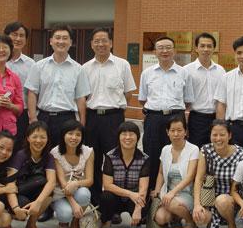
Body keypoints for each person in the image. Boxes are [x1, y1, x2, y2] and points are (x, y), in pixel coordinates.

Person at [81, 28, 136, 206]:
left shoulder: (122, 65)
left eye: (104, 40)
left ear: (111, 43)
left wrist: (116, 111)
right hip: (92, 118)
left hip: (114, 118)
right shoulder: (85, 68)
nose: (101, 44)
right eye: (96, 41)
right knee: (93, 159)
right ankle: (95, 202)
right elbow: (82, 96)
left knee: (115, 160)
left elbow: (128, 93)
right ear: (91, 44)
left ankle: (114, 204)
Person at [139, 36, 194, 190]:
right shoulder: (147, 73)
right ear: (155, 52)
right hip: (153, 118)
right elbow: (143, 99)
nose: (165, 51)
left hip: (176, 117)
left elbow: (188, 100)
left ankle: (175, 192)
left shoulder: (184, 73)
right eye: (161, 48)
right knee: (151, 155)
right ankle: (151, 194)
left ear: (174, 51)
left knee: (177, 155)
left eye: (168, 47)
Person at [25, 24, 90, 146]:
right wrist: (33, 119)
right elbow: (32, 93)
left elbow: (81, 98)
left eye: (65, 38)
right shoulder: (38, 66)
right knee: (42, 151)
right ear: (51, 41)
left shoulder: (78, 69)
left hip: (67, 118)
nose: (61, 41)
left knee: (65, 152)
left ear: (71, 42)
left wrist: (81, 123)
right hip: (43, 117)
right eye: (57, 37)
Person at [192, 119, 243, 228]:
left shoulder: (242, 154)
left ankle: (232, 226)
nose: (218, 138)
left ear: (229, 135)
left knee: (222, 200)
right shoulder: (205, 150)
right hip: (210, 199)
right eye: (215, 135)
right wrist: (197, 205)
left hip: (233, 199)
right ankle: (213, 219)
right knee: (200, 217)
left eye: (222, 134)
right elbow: (199, 179)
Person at [98, 121, 150, 228]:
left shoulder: (144, 158)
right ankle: (107, 222)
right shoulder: (110, 156)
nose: (127, 137)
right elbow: (107, 185)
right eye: (124, 134)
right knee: (106, 197)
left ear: (137, 137)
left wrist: (138, 209)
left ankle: (136, 221)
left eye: (131, 134)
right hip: (116, 197)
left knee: (145, 201)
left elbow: (143, 188)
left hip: (135, 199)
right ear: (118, 137)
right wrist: (130, 194)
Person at [151, 116, 200, 228]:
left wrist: (172, 193)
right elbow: (161, 173)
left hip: (186, 193)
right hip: (168, 193)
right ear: (167, 132)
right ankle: (176, 218)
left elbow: (190, 177)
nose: (176, 134)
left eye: (179, 130)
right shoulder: (165, 150)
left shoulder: (193, 149)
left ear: (185, 132)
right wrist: (157, 191)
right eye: (172, 130)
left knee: (171, 203)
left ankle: (191, 223)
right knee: (161, 218)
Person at [7, 121, 56, 228]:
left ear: (47, 139)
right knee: (23, 204)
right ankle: (5, 225)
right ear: (28, 138)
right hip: (16, 193)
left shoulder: (48, 157)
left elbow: (52, 182)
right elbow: (9, 183)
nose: (38, 141)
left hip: (32, 191)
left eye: (42, 137)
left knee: (48, 193)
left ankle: (31, 225)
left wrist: (38, 202)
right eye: (35, 136)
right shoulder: (20, 155)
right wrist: (15, 207)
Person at [50, 119, 94, 228]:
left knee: (84, 194)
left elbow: (90, 180)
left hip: (78, 189)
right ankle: (64, 219)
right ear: (63, 135)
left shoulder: (88, 151)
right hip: (60, 192)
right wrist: (73, 204)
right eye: (70, 133)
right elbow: (62, 183)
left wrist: (76, 183)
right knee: (65, 215)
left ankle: (76, 220)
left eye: (78, 135)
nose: (74, 137)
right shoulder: (55, 153)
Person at [184, 32, 226, 148]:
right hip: (197, 118)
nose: (206, 49)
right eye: (202, 46)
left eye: (209, 46)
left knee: (216, 149)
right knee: (196, 150)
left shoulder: (221, 70)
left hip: (217, 118)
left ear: (214, 49)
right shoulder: (187, 70)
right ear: (196, 48)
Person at [2, 22, 36, 150]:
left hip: (21, 114)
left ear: (26, 40)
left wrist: (32, 116)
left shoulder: (31, 64)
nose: (18, 38)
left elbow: (33, 92)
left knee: (18, 149)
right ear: (6, 36)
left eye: (22, 35)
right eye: (14, 34)